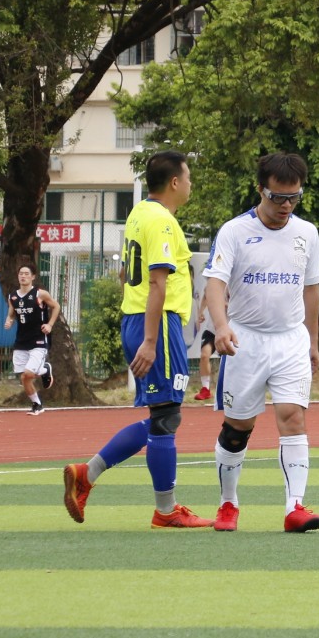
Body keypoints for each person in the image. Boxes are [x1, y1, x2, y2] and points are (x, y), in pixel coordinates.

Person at [62, 150, 211, 529]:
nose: (191, 184)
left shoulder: (137, 213)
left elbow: (128, 275)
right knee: (166, 417)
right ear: (175, 182)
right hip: (156, 326)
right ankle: (165, 510)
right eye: (189, 177)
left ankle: (87, 474)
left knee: (161, 416)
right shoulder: (161, 220)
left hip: (138, 319)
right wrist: (150, 339)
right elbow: (157, 282)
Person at [202, 152, 319, 534]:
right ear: (260, 189)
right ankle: (227, 504)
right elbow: (215, 283)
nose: (285, 206)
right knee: (239, 427)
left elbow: (311, 287)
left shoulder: (307, 233)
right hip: (246, 341)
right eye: (277, 197)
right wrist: (221, 327)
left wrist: (312, 340)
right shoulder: (234, 231)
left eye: (293, 198)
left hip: (290, 341)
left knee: (293, 417)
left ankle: (295, 507)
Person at [5, 263, 59, 415]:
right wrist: (9, 321)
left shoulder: (40, 294)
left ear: (33, 277)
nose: (23, 276)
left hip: (39, 339)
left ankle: (44, 369)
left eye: (26, 273)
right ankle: (37, 404)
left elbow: (56, 306)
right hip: (21, 340)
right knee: (24, 377)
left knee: (27, 374)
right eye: (21, 273)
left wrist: (50, 324)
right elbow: (11, 313)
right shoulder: (13, 296)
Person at [190, 291, 216, 401]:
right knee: (204, 355)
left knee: (232, 362)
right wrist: (200, 312)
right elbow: (206, 293)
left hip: (231, 330)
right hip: (213, 330)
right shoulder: (217, 281)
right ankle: (205, 389)